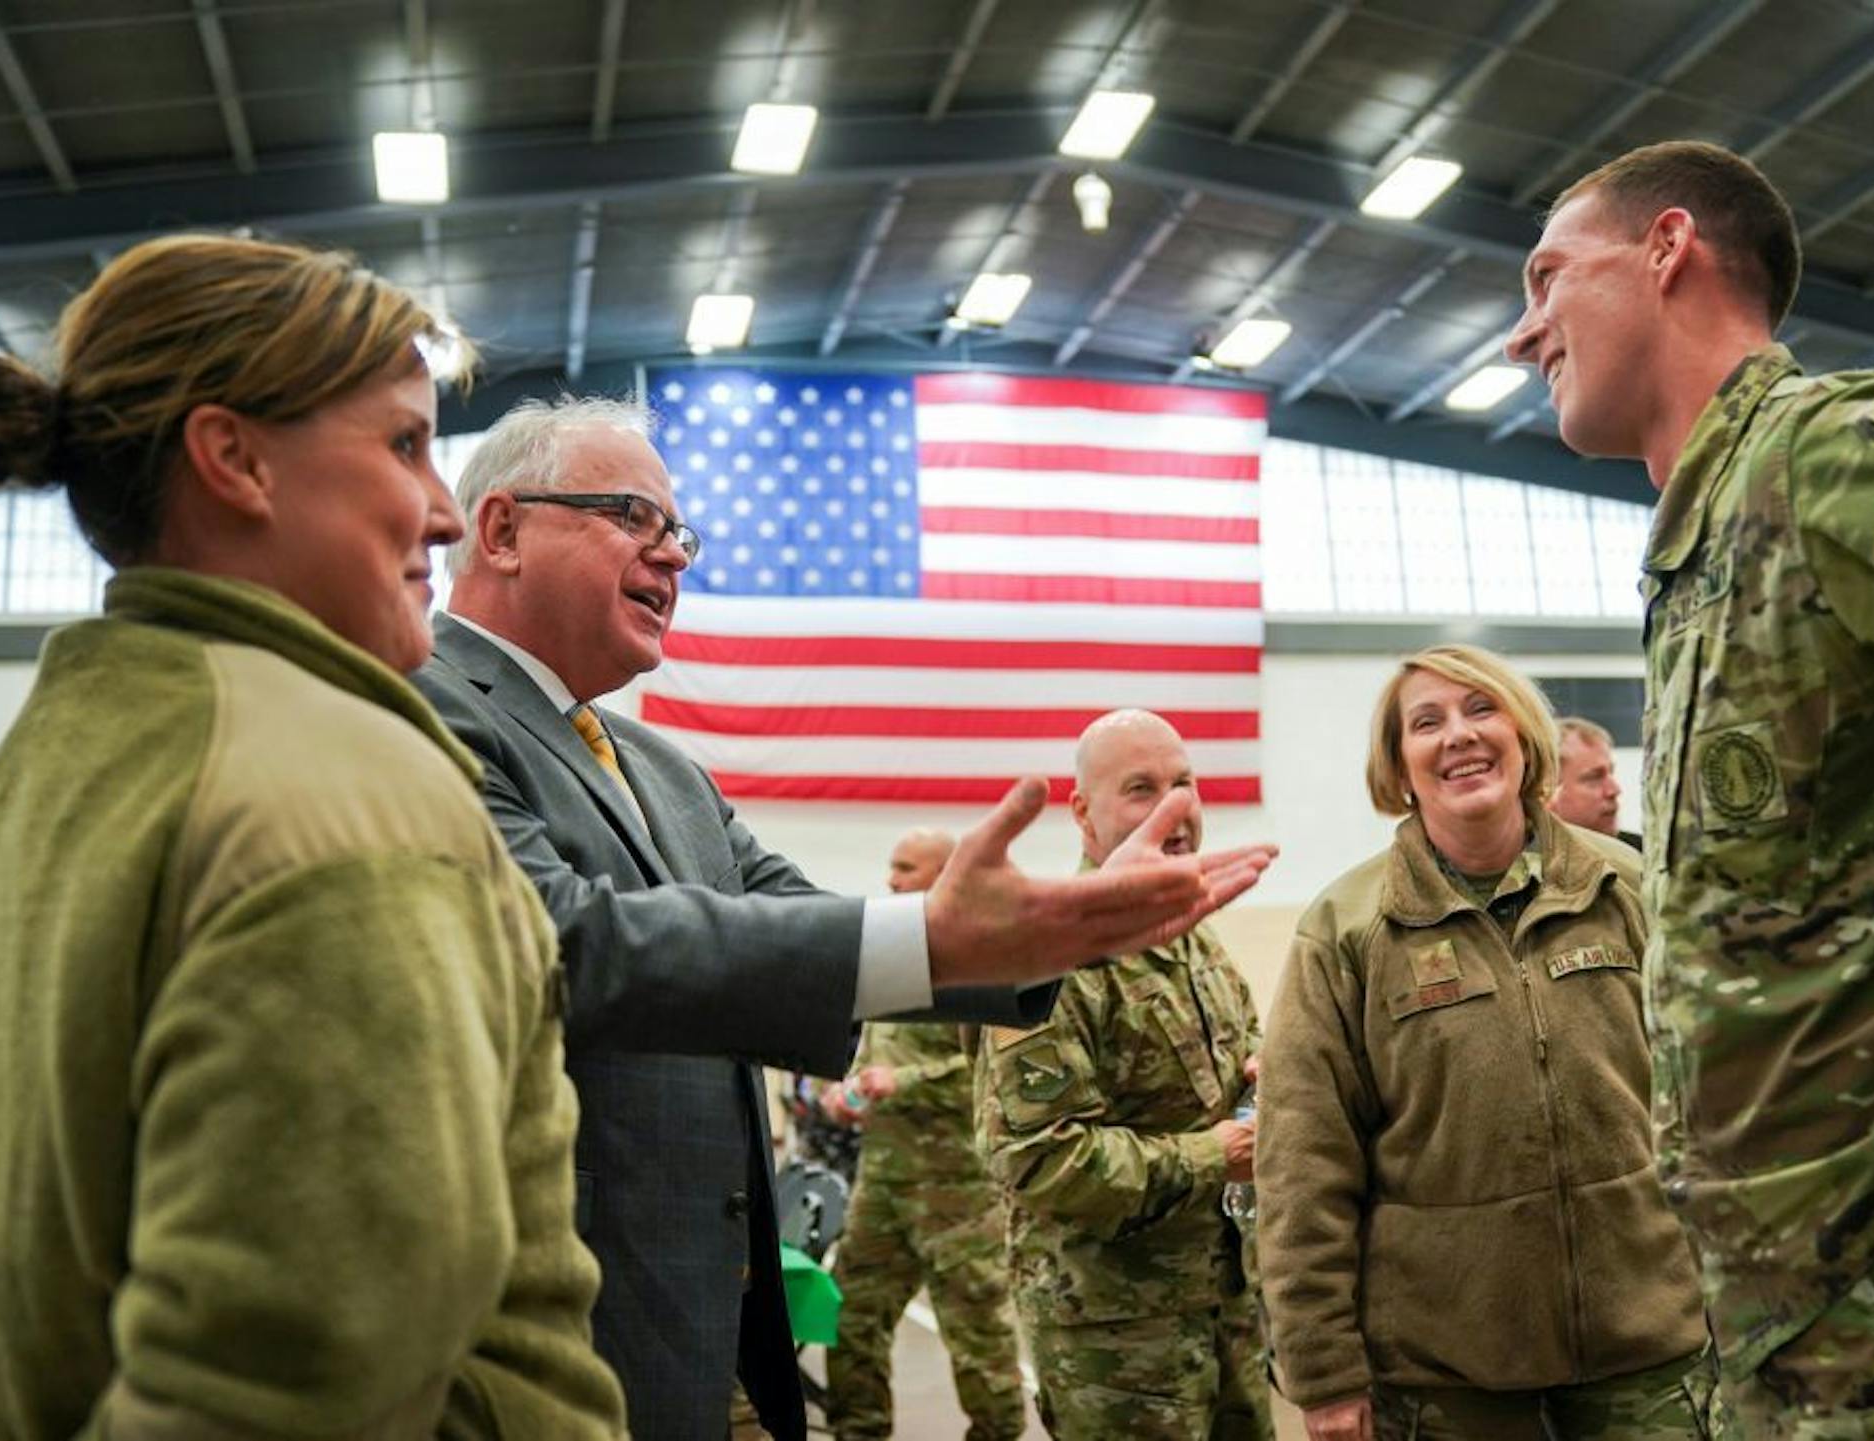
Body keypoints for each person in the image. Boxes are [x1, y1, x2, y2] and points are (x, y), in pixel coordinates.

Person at [411, 398, 1276, 1439]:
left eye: (678, 533)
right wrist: (951, 935)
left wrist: (1049, 932)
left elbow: (808, 922)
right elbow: (567, 941)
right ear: (502, 530)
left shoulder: (664, 769)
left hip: (710, 1317)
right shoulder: (424, 701)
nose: (671, 557)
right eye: (633, 518)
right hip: (543, 1327)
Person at [0, 237, 623, 1436]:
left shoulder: (19, 790)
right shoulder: (342, 801)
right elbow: (282, 1383)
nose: (444, 513)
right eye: (404, 444)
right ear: (232, 458)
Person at [1505, 138, 1874, 1432]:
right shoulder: (1712, 544)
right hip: (1816, 1339)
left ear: (1666, 249)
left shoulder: (1841, 463)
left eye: (1546, 277)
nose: (1519, 333)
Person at [1256, 645, 1712, 1441]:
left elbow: (1714, 1093)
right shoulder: (1347, 929)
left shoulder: (1628, 887)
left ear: (1525, 737)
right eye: (1425, 722)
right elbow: (1302, 1161)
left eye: (1481, 709)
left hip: (1648, 1351)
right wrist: (1322, 1370)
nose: (1457, 736)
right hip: (1448, 1377)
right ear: (1398, 766)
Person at [976, 710, 1271, 1439]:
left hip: (1224, 1310)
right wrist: (1218, 1153)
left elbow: (1234, 1064)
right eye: (1142, 790)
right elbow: (1041, 1159)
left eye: (1185, 784)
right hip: (1114, 1340)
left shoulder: (1194, 942)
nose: (1177, 810)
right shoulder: (1051, 956)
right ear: (1083, 812)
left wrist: (1269, 1072)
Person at [820, 828, 1025, 1441]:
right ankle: (860, 1431)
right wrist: (848, 1089)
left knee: (978, 1339)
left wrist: (903, 1082)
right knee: (852, 1318)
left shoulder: (979, 962)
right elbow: (872, 1054)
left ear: (944, 876)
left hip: (956, 1193)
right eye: (891, 865)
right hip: (883, 1182)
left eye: (905, 868)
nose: (891, 879)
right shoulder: (890, 955)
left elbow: (994, 1073)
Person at [1549, 715, 1636, 846]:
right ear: (1548, 790)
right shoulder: (1519, 861)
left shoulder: (1643, 857)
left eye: (1611, 773)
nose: (1614, 790)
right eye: (1594, 777)